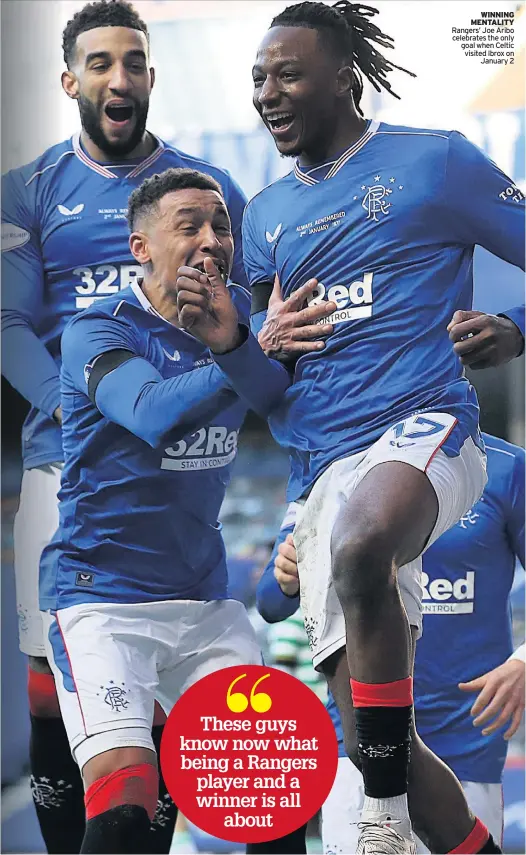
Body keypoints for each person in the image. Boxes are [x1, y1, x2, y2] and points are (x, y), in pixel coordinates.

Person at [174, 1, 524, 851]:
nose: (268, 92)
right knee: (381, 732)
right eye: (258, 78)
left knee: (367, 538)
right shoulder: (261, 218)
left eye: (288, 73)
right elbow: (274, 392)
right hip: (322, 467)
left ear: (345, 76)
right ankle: (422, 822)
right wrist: (231, 344)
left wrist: (520, 330)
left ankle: (378, 815)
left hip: (427, 429)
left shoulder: (435, 162)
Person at [1, 1, 247, 850]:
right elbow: (7, 323)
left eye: (134, 62)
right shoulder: (28, 192)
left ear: (150, 77)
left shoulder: (203, 195)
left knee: (158, 692)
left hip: (176, 454)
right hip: (64, 455)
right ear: (71, 80)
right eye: (101, 62)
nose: (120, 78)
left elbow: (250, 318)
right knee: (52, 674)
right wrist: (77, 410)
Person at [38, 166, 289, 855]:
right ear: (141, 247)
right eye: (190, 227)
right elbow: (151, 415)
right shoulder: (99, 331)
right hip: (102, 602)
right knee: (127, 806)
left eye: (221, 226)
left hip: (205, 604)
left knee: (272, 790)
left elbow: (273, 397)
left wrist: (239, 340)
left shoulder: (240, 319)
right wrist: (235, 348)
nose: (211, 240)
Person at [258, 432, 525, 853]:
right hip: (357, 738)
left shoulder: (505, 466)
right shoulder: (330, 456)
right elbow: (270, 603)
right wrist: (286, 575)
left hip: (465, 733)